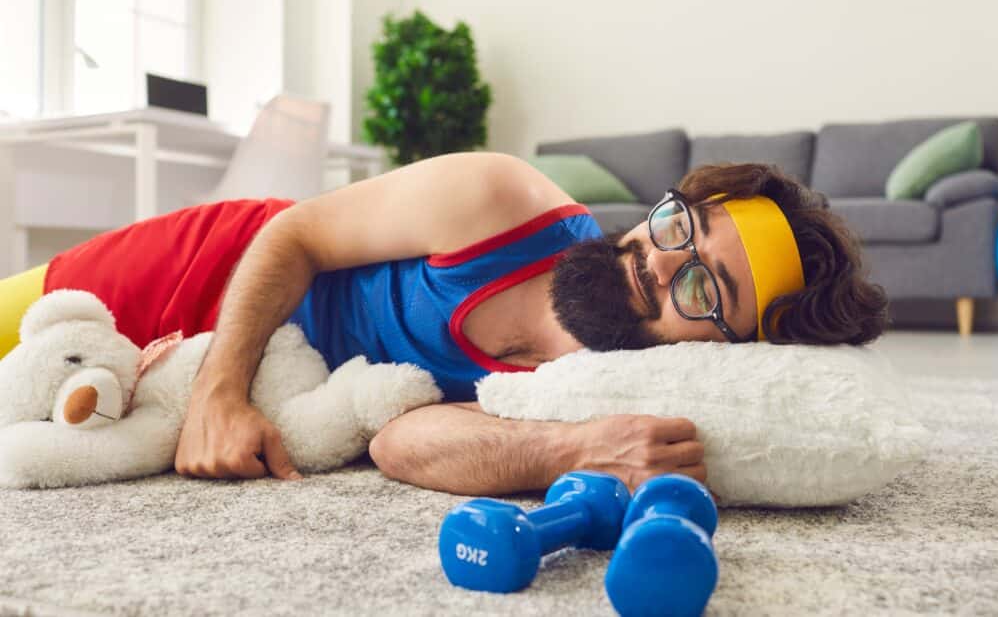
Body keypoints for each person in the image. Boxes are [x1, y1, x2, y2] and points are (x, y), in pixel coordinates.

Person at [0, 153, 888, 493]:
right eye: (678, 225)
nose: (658, 259)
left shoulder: (593, 386)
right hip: (208, 274)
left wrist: (570, 450)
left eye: (706, 289)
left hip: (249, 381)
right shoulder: (504, 202)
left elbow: (398, 443)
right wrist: (219, 389)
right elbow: (295, 233)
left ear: (729, 351)